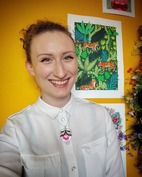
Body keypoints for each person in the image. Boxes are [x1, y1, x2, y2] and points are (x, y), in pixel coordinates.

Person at [0, 20, 125, 177]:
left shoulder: (101, 116)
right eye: (46, 59)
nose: (60, 73)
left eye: (67, 57)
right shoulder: (15, 129)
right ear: (31, 67)